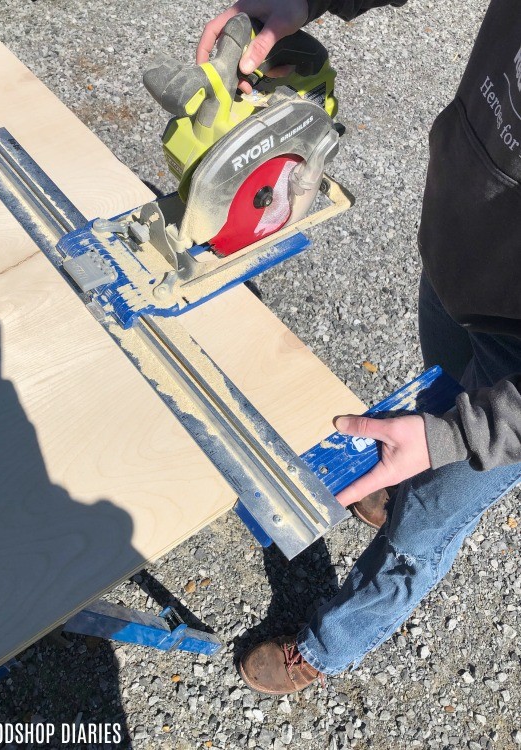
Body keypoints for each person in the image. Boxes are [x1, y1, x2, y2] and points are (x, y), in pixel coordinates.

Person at [197, 0, 521, 695]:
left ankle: (328, 644)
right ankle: (401, 479)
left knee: (426, 525)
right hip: (458, 262)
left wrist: (446, 440)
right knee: (434, 388)